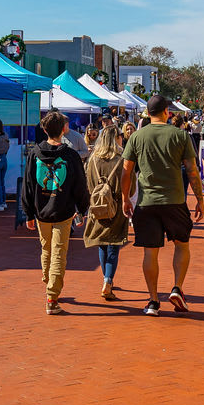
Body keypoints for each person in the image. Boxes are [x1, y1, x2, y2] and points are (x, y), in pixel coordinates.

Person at [121, 94, 204, 316]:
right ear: (167, 112)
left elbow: (126, 171)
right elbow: (192, 170)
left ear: (147, 114)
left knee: (151, 252)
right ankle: (177, 287)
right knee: (182, 244)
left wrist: (125, 199)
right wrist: (200, 199)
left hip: (146, 202)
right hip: (175, 201)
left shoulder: (137, 137)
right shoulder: (180, 135)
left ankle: (152, 301)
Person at [23, 111, 90, 315]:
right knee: (59, 252)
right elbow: (80, 184)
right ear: (64, 129)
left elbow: (28, 184)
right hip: (63, 209)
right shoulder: (70, 156)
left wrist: (28, 213)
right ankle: (52, 295)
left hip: (42, 210)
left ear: (44, 130)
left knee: (47, 249)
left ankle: (49, 280)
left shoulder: (35, 153)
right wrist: (83, 208)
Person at [84, 125, 133, 301]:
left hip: (97, 206)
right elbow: (131, 188)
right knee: (114, 244)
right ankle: (108, 280)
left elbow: (88, 184)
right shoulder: (122, 160)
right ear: (116, 138)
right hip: (116, 206)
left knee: (102, 243)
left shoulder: (92, 160)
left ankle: (106, 279)